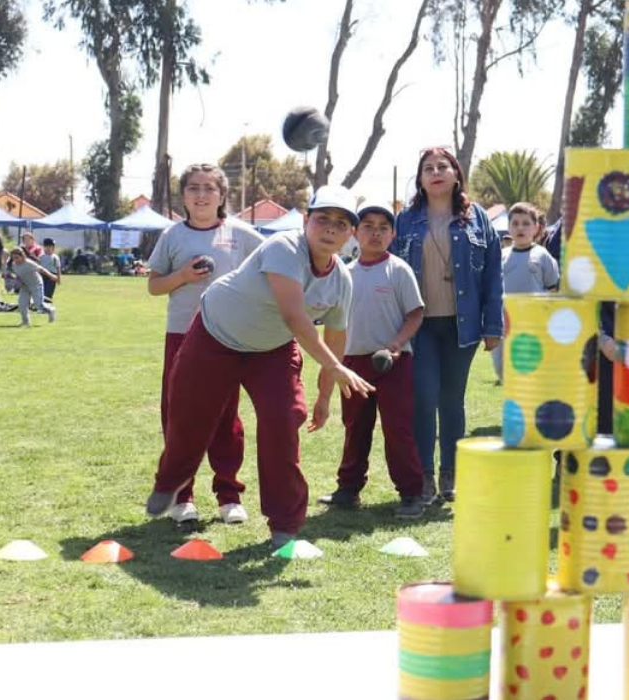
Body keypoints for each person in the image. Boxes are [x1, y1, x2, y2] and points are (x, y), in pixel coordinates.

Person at [146, 185, 373, 549]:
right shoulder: (284, 248)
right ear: (305, 221)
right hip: (215, 335)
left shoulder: (341, 281)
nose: (331, 228)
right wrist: (336, 366)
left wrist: (325, 396)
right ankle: (170, 483)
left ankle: (284, 524)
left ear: (351, 234)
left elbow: (336, 337)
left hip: (271, 350)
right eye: (323, 219)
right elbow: (295, 317)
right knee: (190, 419)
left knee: (284, 421)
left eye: (342, 223)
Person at [146, 163, 264, 524]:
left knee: (225, 416)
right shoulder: (172, 236)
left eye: (209, 188)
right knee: (179, 415)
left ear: (222, 195)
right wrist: (181, 276)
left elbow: (272, 268)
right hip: (182, 334)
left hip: (227, 337)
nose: (201, 195)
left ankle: (229, 495)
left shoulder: (242, 234)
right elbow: (154, 285)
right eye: (194, 188)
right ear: (183, 196)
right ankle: (183, 498)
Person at [390, 147, 503, 504]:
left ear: (456, 174)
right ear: (420, 180)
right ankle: (423, 474)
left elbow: (493, 276)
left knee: (452, 399)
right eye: (428, 168)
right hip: (418, 324)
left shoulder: (478, 219)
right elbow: (391, 272)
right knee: (423, 397)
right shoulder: (405, 220)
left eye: (443, 166)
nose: (436, 172)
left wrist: (493, 325)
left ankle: (450, 473)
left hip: (463, 326)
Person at [318, 201, 426, 519]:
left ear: (393, 234)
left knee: (397, 429)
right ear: (355, 233)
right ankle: (347, 490)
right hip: (353, 362)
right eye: (367, 226)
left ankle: (411, 494)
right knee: (355, 426)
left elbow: (416, 313)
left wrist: (395, 344)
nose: (375, 233)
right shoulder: (343, 273)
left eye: (383, 228)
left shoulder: (399, 270)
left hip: (394, 363)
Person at [493, 202, 559, 384]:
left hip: (532, 324)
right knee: (502, 370)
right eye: (515, 223)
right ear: (508, 227)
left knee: (528, 373)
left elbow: (552, 288)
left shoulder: (543, 255)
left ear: (536, 227)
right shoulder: (501, 255)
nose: (520, 227)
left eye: (525, 223)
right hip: (504, 323)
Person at [7, 248, 56, 326]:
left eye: (17, 257)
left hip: (36, 285)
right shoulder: (14, 265)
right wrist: (16, 282)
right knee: (22, 304)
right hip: (25, 286)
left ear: (22, 256)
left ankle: (51, 310)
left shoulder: (29, 263)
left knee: (38, 305)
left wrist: (51, 276)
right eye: (13, 258)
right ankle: (25, 322)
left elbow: (42, 269)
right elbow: (18, 275)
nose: (15, 260)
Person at [39, 238, 62, 302]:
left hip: (52, 276)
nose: (50, 249)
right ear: (45, 247)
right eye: (48, 247)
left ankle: (48, 302)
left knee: (49, 290)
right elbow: (38, 267)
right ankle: (41, 303)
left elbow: (58, 268)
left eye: (52, 247)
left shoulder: (55, 257)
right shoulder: (41, 257)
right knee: (42, 290)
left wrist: (59, 279)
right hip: (43, 275)